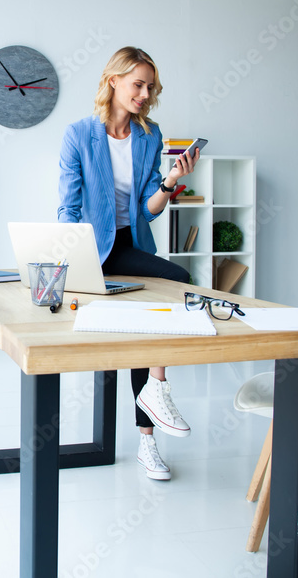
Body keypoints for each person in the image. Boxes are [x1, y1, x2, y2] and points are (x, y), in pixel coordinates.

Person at [58, 46, 199, 481]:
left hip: (129, 244)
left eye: (150, 87)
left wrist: (172, 181)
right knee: (142, 324)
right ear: (114, 80)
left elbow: (148, 208)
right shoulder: (79, 134)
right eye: (138, 83)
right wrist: (71, 259)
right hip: (91, 249)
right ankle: (153, 410)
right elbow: (68, 207)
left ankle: (152, 416)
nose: (144, 93)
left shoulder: (149, 136)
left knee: (175, 286)